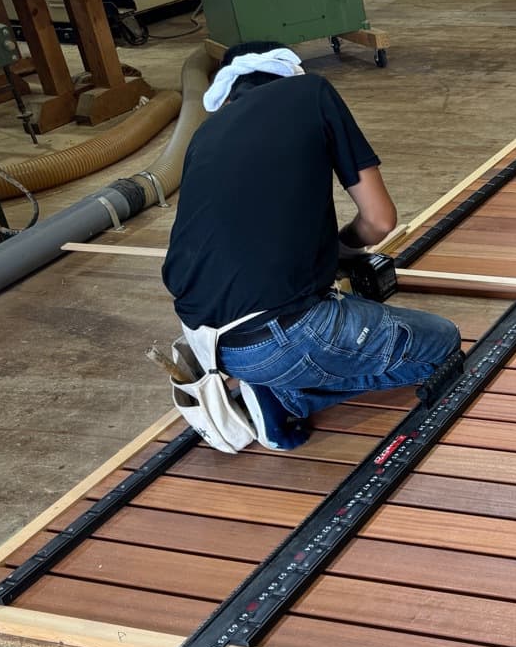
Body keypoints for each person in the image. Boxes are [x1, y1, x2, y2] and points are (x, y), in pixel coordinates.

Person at [162, 42, 461, 450]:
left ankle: (266, 380)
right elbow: (379, 221)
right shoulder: (310, 93)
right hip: (281, 337)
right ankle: (286, 398)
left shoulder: (203, 135)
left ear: (229, 94)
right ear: (289, 72)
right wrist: (342, 250)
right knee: (441, 346)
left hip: (208, 344)